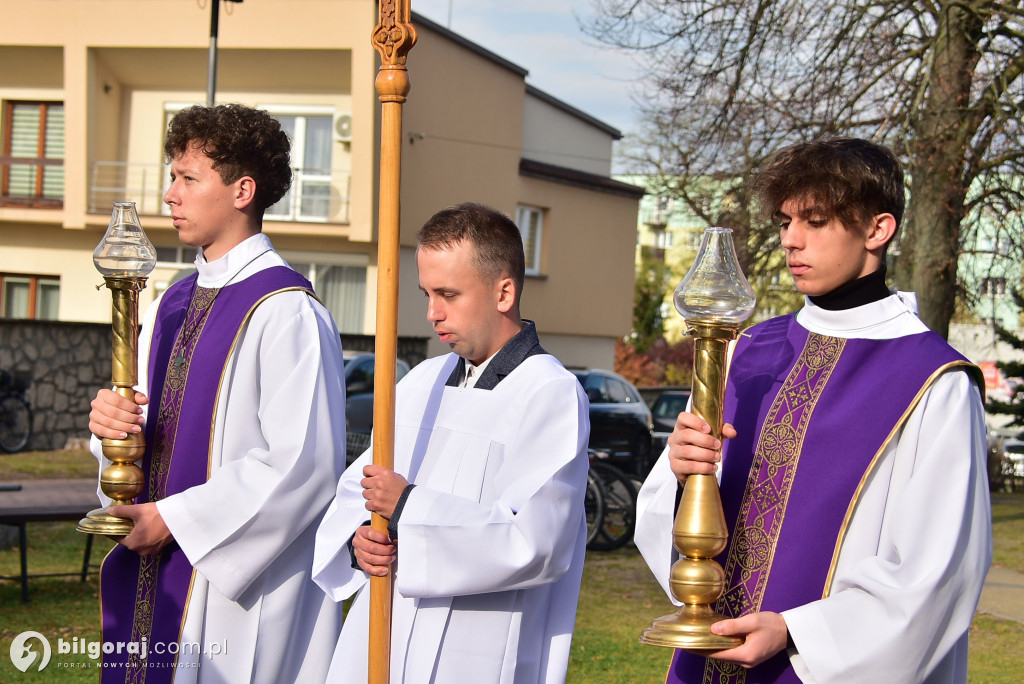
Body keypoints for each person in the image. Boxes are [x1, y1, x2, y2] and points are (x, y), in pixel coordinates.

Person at [634, 138, 991, 684]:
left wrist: (797, 632)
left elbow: (937, 571)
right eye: (784, 222)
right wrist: (684, 476)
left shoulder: (934, 382)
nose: (791, 241)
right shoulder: (746, 352)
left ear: (878, 230)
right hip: (711, 658)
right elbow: (666, 515)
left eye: (816, 221)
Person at [87, 104, 347, 683]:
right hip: (152, 555)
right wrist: (111, 432)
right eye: (171, 176)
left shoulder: (288, 312)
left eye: (188, 178)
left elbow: (302, 464)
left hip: (234, 591)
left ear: (242, 190)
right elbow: (147, 435)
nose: (169, 195)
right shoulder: (169, 303)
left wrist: (175, 521)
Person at [312, 202, 590, 683]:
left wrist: (409, 508)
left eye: (449, 294)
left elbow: (537, 542)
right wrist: (361, 542)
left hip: (480, 643)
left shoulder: (551, 394)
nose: (431, 313)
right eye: (426, 293)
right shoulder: (420, 382)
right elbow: (360, 489)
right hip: (386, 627)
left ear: (504, 291)